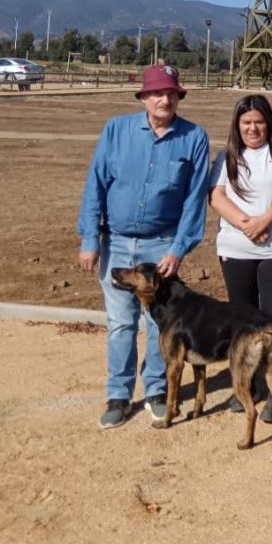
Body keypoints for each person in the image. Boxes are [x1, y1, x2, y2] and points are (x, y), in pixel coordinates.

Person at [77, 64, 211, 429]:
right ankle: (118, 395)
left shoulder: (194, 138)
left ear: (178, 97)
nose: (164, 100)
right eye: (156, 93)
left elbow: (194, 200)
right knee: (120, 323)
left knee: (158, 325)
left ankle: (155, 388)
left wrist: (178, 249)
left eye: (170, 94)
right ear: (144, 98)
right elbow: (96, 185)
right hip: (116, 244)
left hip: (162, 246)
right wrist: (90, 239)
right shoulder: (116, 130)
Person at [210, 94, 272, 420]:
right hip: (237, 249)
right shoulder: (227, 158)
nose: (253, 128)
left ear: (269, 123)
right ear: (238, 125)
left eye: (259, 122)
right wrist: (245, 224)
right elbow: (217, 195)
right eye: (246, 122)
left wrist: (264, 222)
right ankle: (247, 386)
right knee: (244, 320)